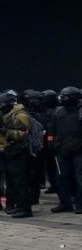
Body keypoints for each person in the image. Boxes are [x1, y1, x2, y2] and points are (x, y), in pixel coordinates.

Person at [0, 91, 33, 218]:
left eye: (2, 104)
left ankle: (25, 208)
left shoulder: (20, 115)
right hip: (7, 150)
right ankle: (17, 205)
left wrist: (6, 132)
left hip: (18, 151)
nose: (0, 106)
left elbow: (24, 134)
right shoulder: (4, 114)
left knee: (20, 181)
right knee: (12, 181)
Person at [49, 86, 82, 214]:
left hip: (79, 150)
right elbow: (52, 128)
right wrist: (51, 143)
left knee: (80, 178)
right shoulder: (58, 111)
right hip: (61, 150)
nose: (62, 99)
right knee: (61, 177)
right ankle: (65, 203)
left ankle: (79, 204)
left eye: (65, 97)